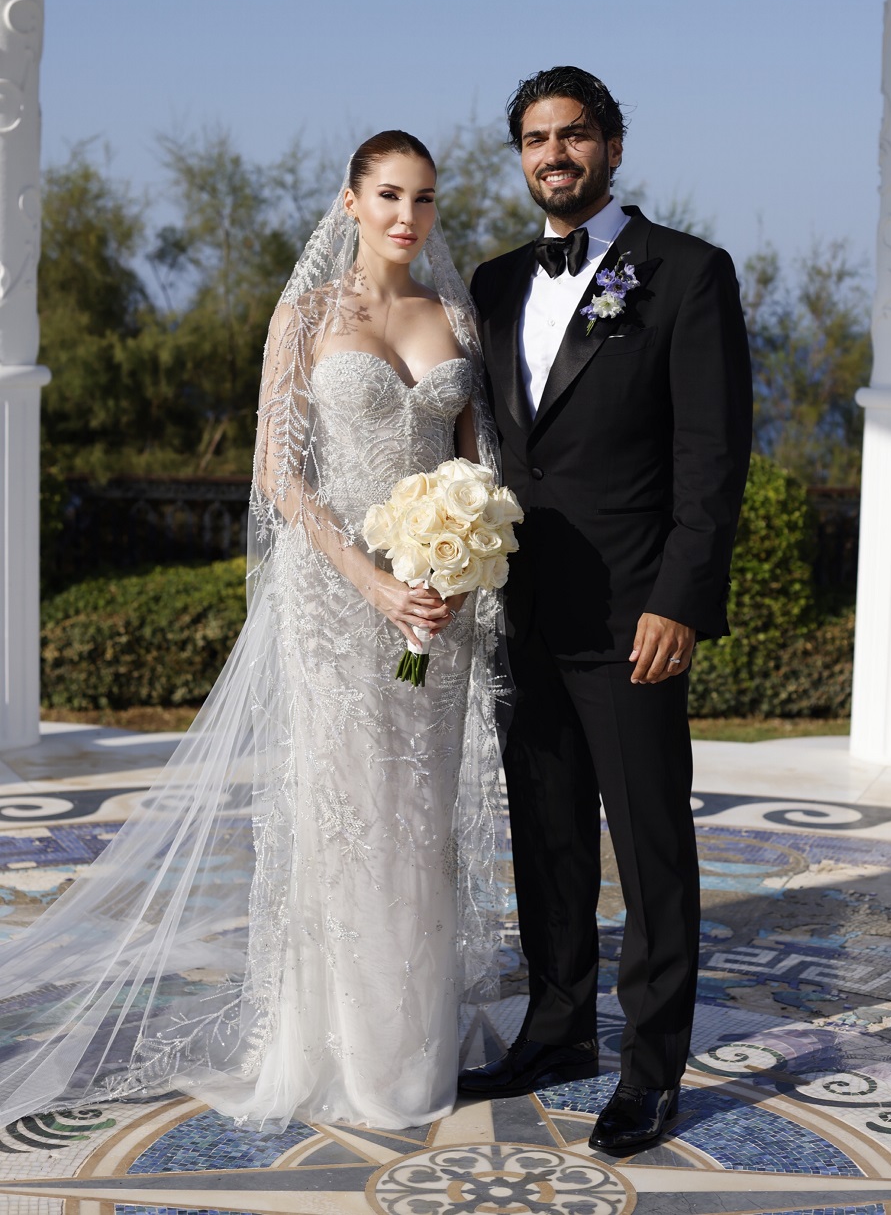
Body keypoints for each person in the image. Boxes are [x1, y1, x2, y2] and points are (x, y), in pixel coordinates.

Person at [0, 131, 504, 1132]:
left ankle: (413, 1038)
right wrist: (372, 582)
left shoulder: (453, 318)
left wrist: (458, 560)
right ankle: (349, 1052)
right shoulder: (305, 316)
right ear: (350, 202)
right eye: (389, 195)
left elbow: (473, 463)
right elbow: (280, 473)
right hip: (337, 600)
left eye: (425, 198)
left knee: (420, 812)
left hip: (432, 607)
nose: (408, 216)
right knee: (352, 813)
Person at [462, 68, 753, 1154]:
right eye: (535, 138)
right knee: (545, 841)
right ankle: (555, 1031)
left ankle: (651, 1069)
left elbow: (711, 457)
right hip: (522, 613)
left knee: (650, 848)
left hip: (635, 617)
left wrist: (680, 599)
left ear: (613, 146)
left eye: (574, 134)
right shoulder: (493, 283)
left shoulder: (687, 272)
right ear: (521, 156)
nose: (555, 154)